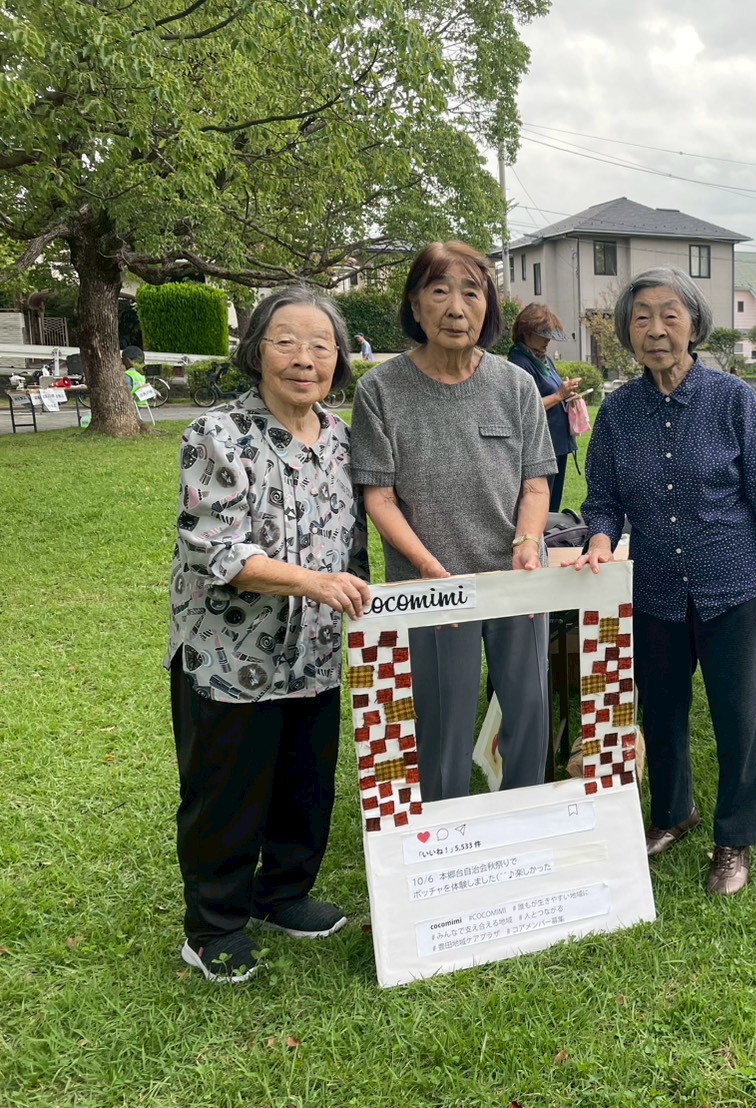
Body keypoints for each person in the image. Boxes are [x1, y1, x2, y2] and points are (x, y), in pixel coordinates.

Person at [168, 286, 370, 984]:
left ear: (338, 359)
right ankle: (213, 925)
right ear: (256, 351)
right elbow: (216, 551)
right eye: (286, 341)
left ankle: (283, 895)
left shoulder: (345, 440)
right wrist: (314, 582)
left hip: (313, 655)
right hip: (229, 657)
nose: (304, 358)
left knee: (304, 786)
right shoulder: (216, 435)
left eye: (321, 345)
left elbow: (356, 546)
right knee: (225, 794)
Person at [577, 267, 756, 896]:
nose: (655, 329)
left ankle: (735, 838)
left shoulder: (730, 399)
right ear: (627, 332)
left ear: (694, 325)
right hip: (656, 590)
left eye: (669, 315)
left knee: (738, 715)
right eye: (641, 317)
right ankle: (674, 814)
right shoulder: (616, 411)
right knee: (664, 712)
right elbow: (603, 500)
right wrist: (598, 534)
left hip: (731, 581)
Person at [352, 241, 556, 803]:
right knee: (442, 713)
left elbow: (536, 484)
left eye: (472, 292)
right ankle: (442, 828)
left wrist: (528, 540)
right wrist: (426, 565)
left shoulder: (515, 386)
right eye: (439, 291)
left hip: (513, 577)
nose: (456, 307)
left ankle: (525, 811)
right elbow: (380, 497)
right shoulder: (381, 390)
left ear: (489, 307)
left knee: (529, 706)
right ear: (414, 306)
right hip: (429, 585)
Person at [506, 303, 582, 513]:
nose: (548, 339)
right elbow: (522, 407)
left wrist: (567, 394)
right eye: (544, 334)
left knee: (553, 507)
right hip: (539, 447)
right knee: (539, 506)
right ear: (527, 333)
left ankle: (551, 542)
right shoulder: (519, 362)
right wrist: (559, 396)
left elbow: (555, 391)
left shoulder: (544, 359)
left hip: (558, 443)